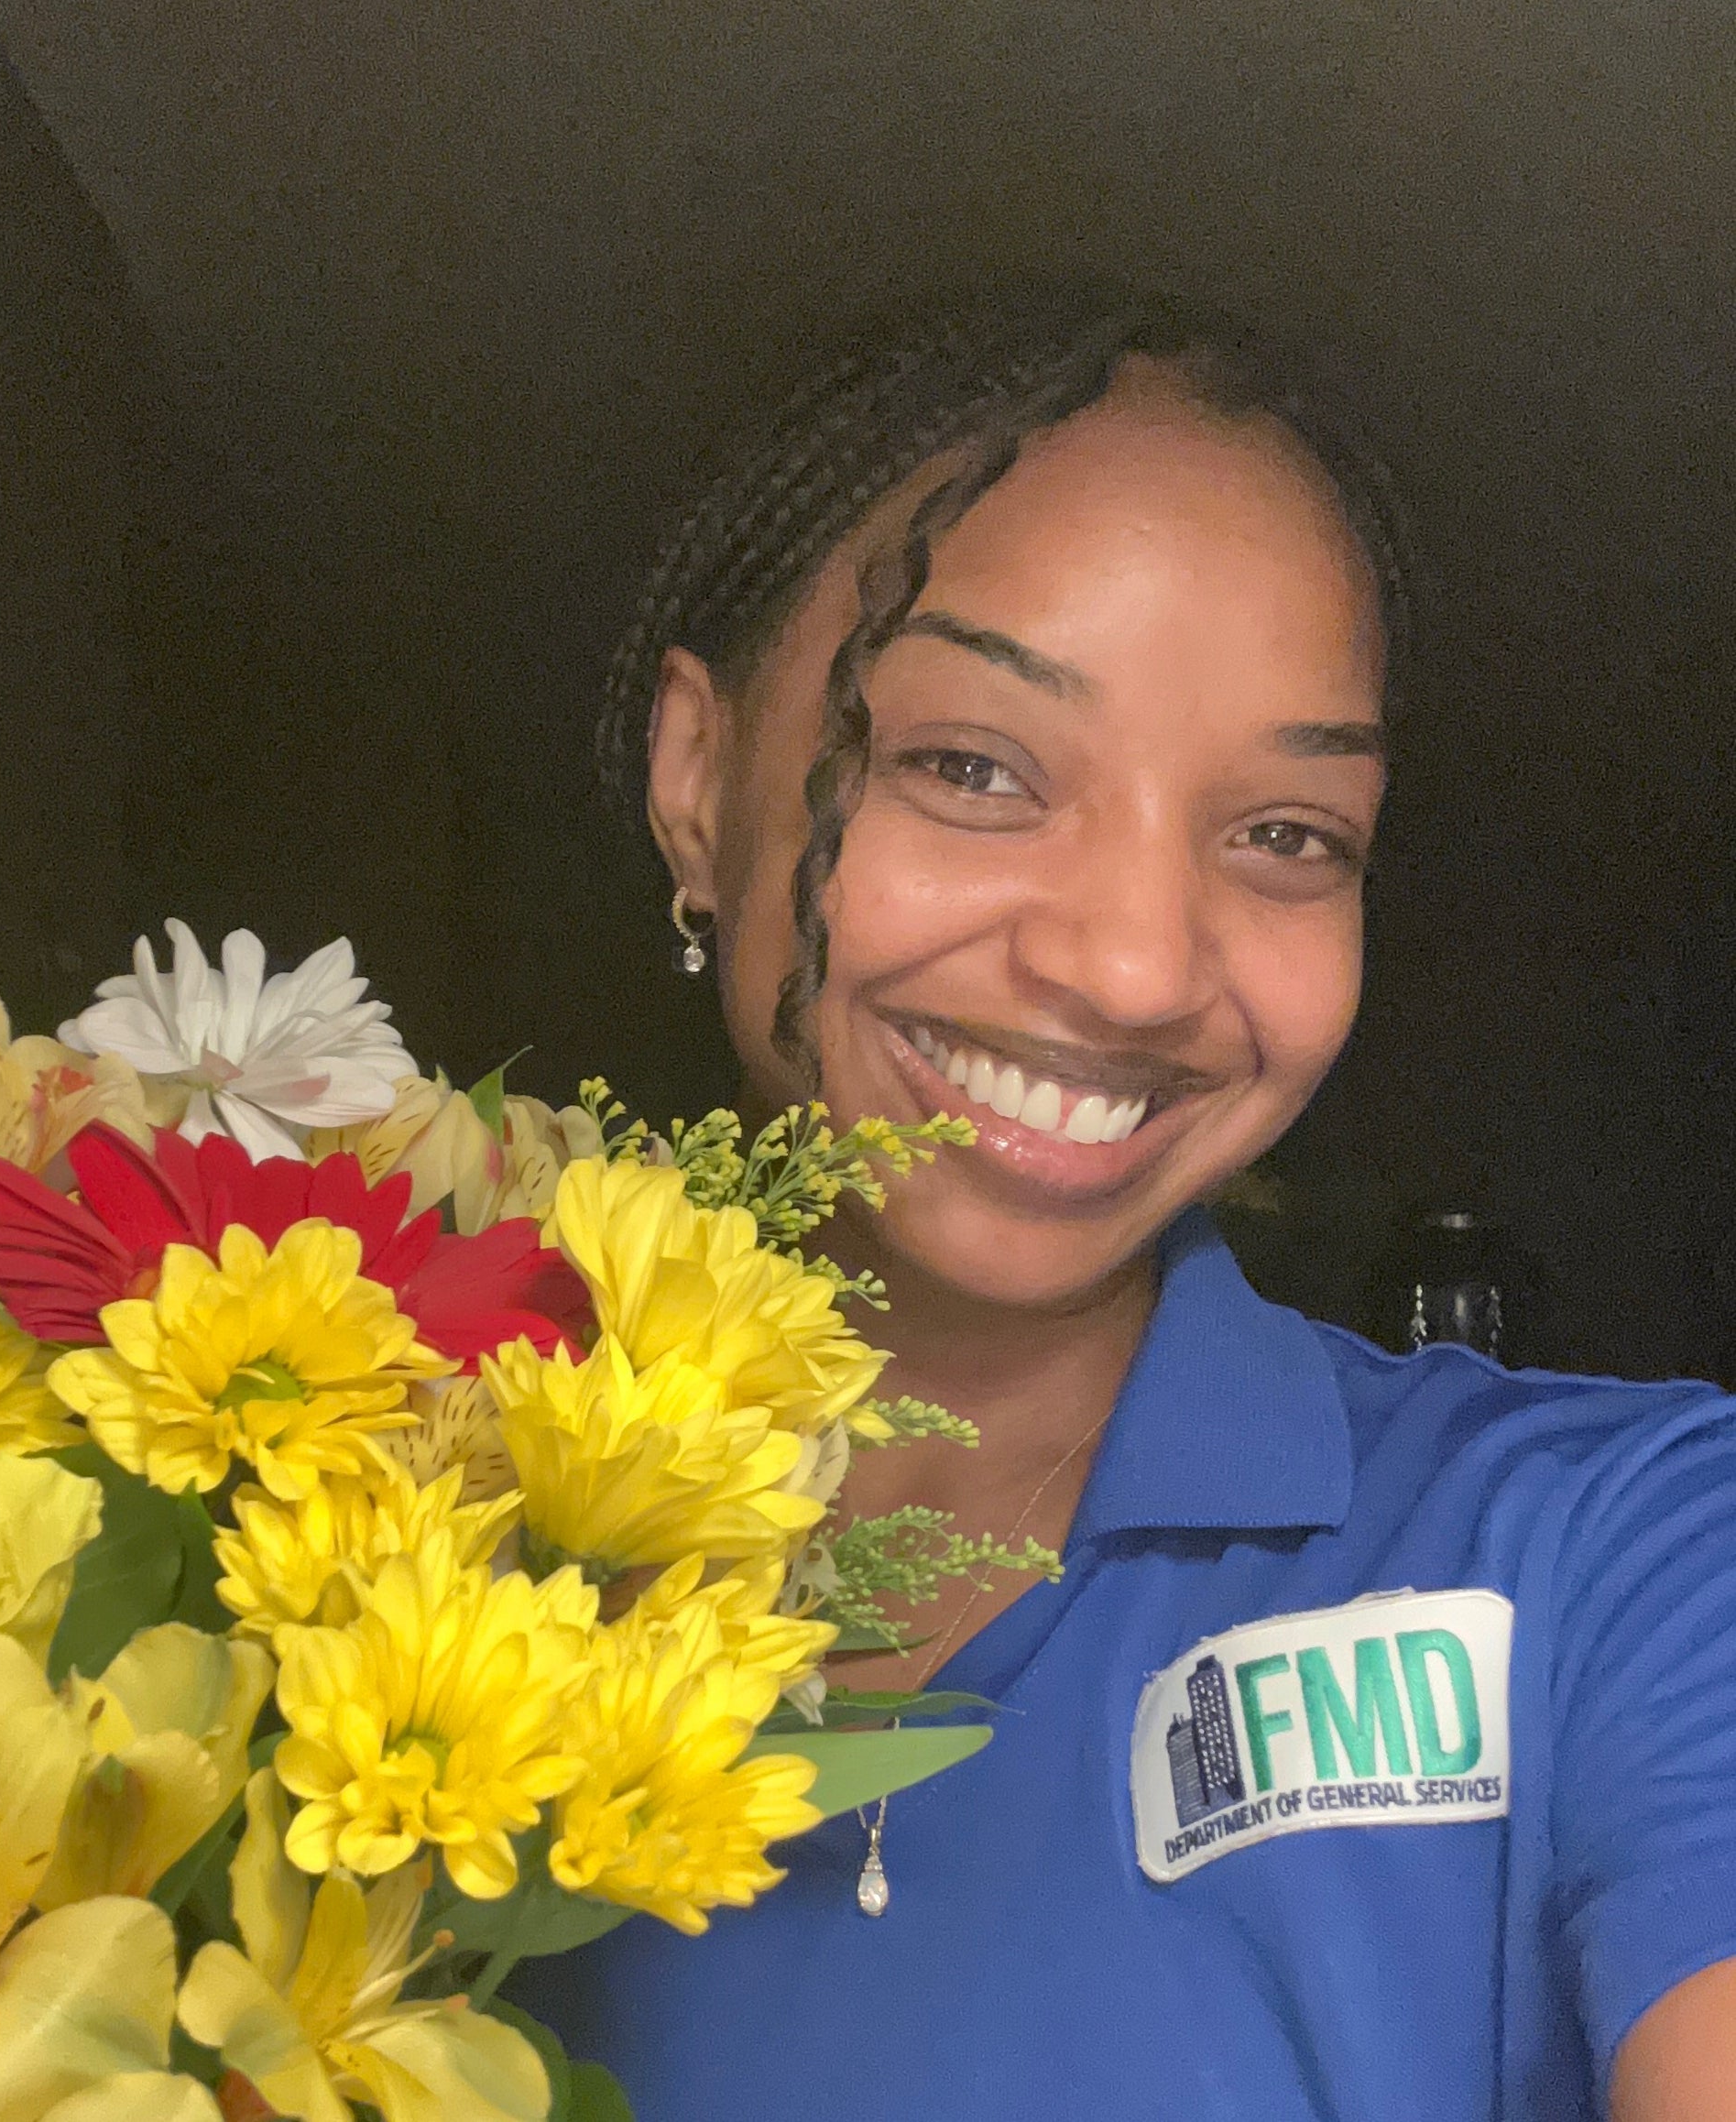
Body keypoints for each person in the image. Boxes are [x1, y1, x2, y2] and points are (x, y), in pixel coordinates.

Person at [520, 286, 1736, 2119]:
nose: (1142, 964)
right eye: (973, 768)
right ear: (700, 783)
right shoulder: (377, 1530)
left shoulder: (1616, 1554)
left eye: (1284, 837)